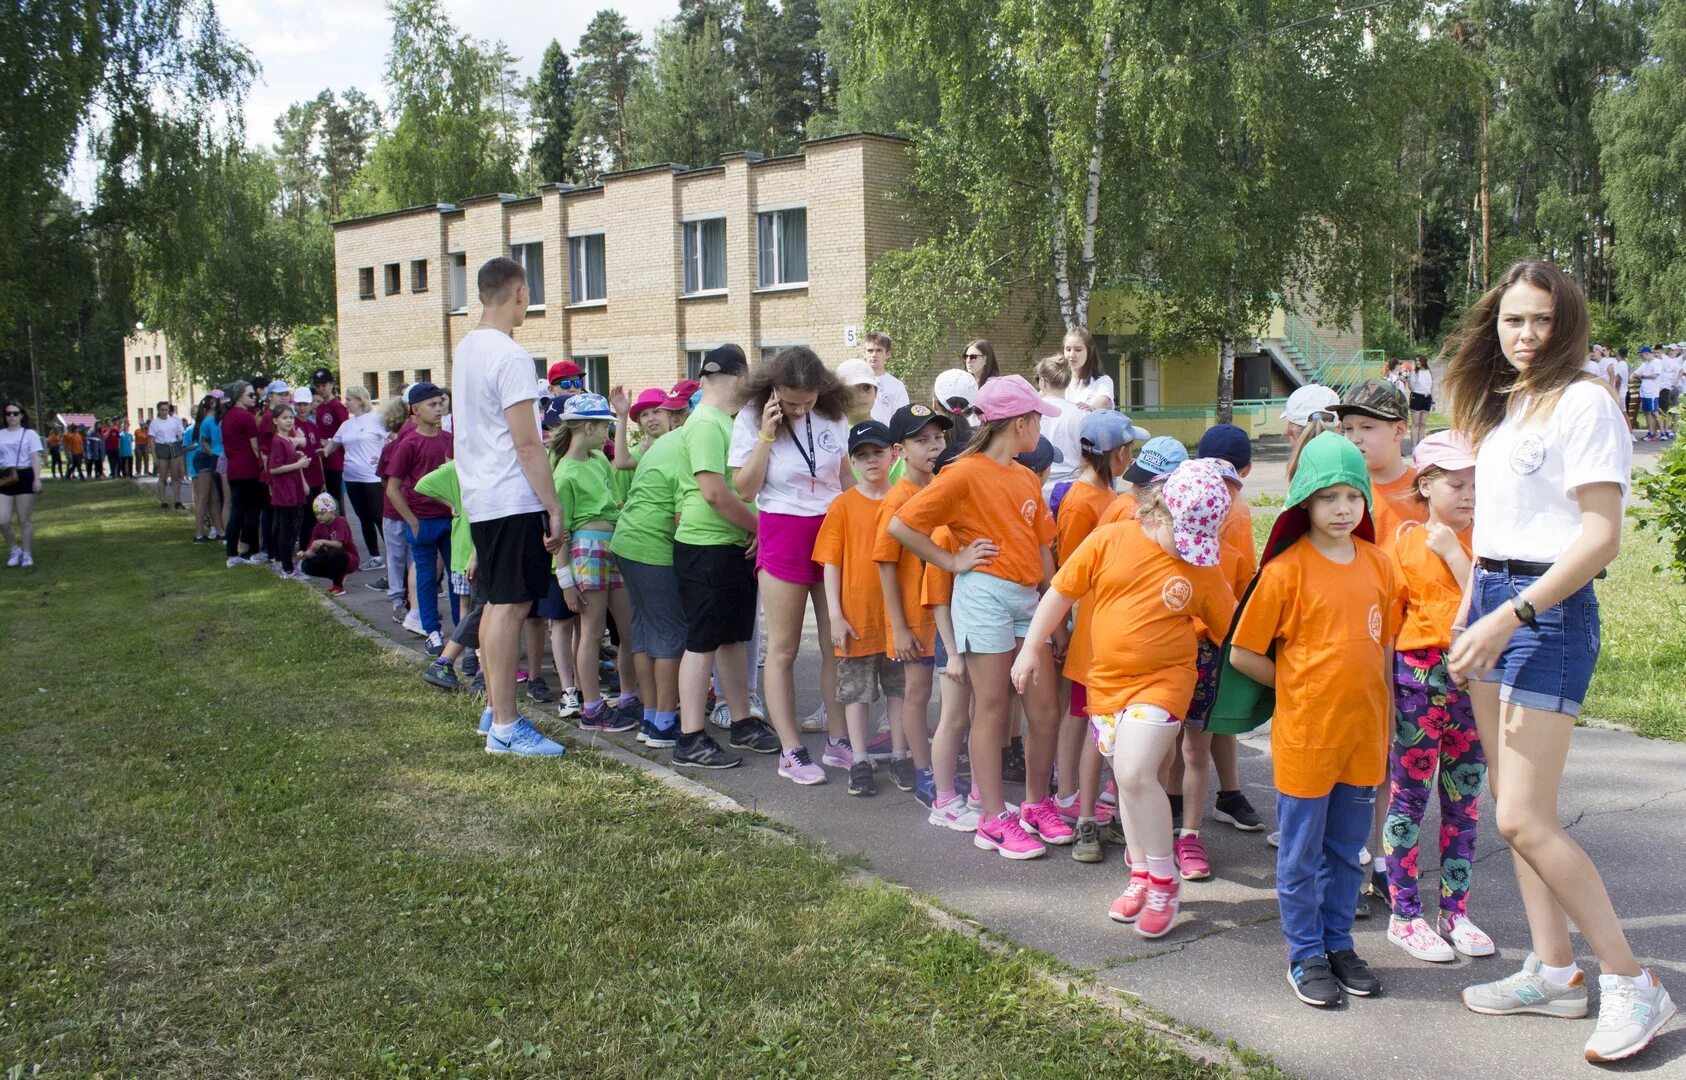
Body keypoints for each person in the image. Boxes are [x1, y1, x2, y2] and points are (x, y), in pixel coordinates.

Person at [1443, 261, 1673, 1063]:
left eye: (1541, 320)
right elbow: (1496, 530)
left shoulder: (1586, 402)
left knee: (1521, 818)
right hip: (1495, 608)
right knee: (1515, 813)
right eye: (1513, 321)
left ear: (1566, 323)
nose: (1526, 336)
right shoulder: (1509, 412)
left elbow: (1600, 536)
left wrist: (1509, 614)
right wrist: (1471, 607)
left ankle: (1633, 982)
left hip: (1546, 616)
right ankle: (1554, 972)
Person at [1015, 460, 1236, 937]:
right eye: (1186, 537)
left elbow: (1232, 632)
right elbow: (1060, 592)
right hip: (1107, 685)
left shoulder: (1200, 567)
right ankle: (1140, 873)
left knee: (1135, 772)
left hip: (1166, 682)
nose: (1193, 552)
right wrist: (1032, 646)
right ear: (1158, 513)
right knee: (1131, 785)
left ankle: (1164, 883)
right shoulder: (1110, 540)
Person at [1228, 431, 1398, 1008]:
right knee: (1301, 853)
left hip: (1363, 738)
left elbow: (1386, 649)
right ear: (1304, 501)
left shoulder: (1380, 564)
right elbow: (1243, 652)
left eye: (1353, 495)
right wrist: (1298, 686)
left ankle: (1338, 943)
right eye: (1328, 496)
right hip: (1307, 738)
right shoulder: (1285, 573)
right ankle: (1305, 953)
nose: (1342, 508)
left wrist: (1390, 718)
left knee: (1350, 851)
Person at [890, 375, 1061, 860]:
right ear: (1020, 422)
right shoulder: (963, 473)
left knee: (1043, 708)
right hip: (983, 595)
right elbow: (902, 525)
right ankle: (993, 819)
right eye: (1036, 420)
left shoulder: (1027, 477)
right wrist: (952, 561)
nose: (1039, 430)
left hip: (1029, 600)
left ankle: (1035, 805)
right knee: (990, 706)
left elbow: (1042, 546)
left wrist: (1056, 609)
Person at [1379, 429, 1493, 964]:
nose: (1469, 493)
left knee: (1464, 804)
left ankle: (1457, 911)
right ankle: (1405, 913)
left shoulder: (1492, 541)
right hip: (1418, 681)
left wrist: (1455, 555)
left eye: (1476, 482)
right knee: (1407, 799)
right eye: (1456, 483)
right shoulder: (1402, 546)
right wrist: (1383, 694)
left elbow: (1493, 611)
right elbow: (1388, 628)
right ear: (1425, 484)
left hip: (1476, 679)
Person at [452, 257, 568, 757]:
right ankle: (504, 723)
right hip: (511, 495)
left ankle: (494, 711)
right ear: (520, 291)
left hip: (483, 495)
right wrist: (554, 505)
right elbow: (527, 443)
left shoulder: (467, 349)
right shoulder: (511, 355)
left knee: (500, 602)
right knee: (510, 606)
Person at [729, 346, 851, 775]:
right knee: (784, 648)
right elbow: (743, 489)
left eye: (809, 399)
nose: (800, 408)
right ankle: (791, 750)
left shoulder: (833, 414)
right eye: (792, 400)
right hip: (784, 528)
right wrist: (765, 434)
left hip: (834, 528)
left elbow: (846, 477)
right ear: (773, 389)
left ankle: (839, 740)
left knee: (840, 642)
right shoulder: (750, 415)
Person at [1050, 409, 1145, 863]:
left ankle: (1081, 794)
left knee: (1093, 718)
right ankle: (1067, 792)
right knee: (1082, 716)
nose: (1133, 456)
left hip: (1108, 623)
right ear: (1117, 453)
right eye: (1130, 449)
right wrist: (1062, 629)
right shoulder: (1080, 500)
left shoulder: (1111, 493)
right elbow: (1069, 570)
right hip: (1088, 626)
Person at [670, 345, 761, 770]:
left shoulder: (723, 421)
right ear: (739, 376)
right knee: (703, 641)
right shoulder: (706, 423)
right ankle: (689, 737)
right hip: (706, 546)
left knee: (731, 638)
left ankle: (742, 721)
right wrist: (759, 527)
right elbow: (714, 493)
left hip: (727, 547)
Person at [816, 420, 906, 794]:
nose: (871, 461)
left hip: (897, 620)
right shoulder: (842, 505)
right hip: (857, 619)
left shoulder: (904, 499)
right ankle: (858, 759)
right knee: (856, 693)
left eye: (878, 452)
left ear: (894, 454)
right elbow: (831, 563)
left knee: (898, 690)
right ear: (851, 462)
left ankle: (901, 754)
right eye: (862, 455)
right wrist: (835, 614)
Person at [872, 403, 954, 806]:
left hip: (947, 614)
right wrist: (898, 626)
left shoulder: (942, 487)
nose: (933, 447)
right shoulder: (897, 498)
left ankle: (941, 765)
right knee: (917, 692)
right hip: (914, 619)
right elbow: (885, 565)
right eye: (920, 440)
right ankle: (923, 772)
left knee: (951, 693)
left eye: (937, 437)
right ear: (899, 450)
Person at [549, 391, 644, 731]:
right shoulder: (563, 474)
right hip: (586, 551)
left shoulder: (598, 460)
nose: (606, 434)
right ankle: (592, 707)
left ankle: (629, 695)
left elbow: (613, 501)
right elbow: (559, 531)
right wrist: (566, 581)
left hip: (613, 546)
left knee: (628, 627)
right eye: (603, 426)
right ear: (587, 427)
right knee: (591, 632)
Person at [610, 386, 694, 748]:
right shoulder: (687, 449)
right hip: (651, 547)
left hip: (626, 541)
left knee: (644, 633)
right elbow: (680, 517)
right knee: (671, 635)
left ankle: (649, 717)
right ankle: (665, 721)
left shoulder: (660, 446)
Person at [386, 382, 456, 655]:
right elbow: (392, 488)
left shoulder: (448, 439)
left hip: (450, 519)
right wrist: (412, 521)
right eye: (432, 405)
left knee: (457, 578)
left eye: (441, 403)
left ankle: (461, 632)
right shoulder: (409, 444)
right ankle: (432, 631)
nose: (439, 409)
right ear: (415, 410)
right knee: (426, 578)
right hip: (423, 521)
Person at [326, 385, 385, 567]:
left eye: (349, 399)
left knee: (378, 516)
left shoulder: (377, 419)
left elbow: (395, 438)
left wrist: (385, 459)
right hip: (352, 478)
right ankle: (375, 557)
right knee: (363, 517)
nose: (346, 402)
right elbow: (333, 444)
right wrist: (324, 451)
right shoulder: (346, 425)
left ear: (360, 400)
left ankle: (395, 554)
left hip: (373, 478)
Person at [263, 403, 312, 581]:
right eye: (284, 418)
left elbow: (288, 461)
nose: (289, 421)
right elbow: (274, 468)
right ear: (275, 421)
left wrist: (297, 460)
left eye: (291, 417)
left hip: (294, 489)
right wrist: (298, 465)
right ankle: (287, 568)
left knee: (291, 528)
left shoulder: (287, 440)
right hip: (285, 491)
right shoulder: (277, 441)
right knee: (286, 530)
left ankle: (284, 564)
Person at [220, 382, 267, 565]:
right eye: (250, 395)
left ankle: (232, 553)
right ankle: (253, 551)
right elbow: (255, 446)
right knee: (252, 512)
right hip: (248, 468)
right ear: (239, 395)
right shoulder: (245, 417)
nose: (253, 398)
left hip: (234, 469)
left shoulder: (226, 417)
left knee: (237, 511)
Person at [0, 402, 44, 567]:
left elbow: (35, 457)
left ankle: (26, 553)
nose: (11, 416)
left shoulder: (29, 434)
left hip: (25, 475)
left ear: (21, 415)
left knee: (23, 519)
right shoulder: (1, 434)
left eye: (15, 413)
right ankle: (14, 549)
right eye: (8, 413)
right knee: (2, 520)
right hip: (5, 476)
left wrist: (37, 479)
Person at [1033, 356, 1084, 495]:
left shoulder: (1031, 413)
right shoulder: (1081, 414)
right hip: (1072, 489)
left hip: (1037, 486)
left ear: (1043, 381)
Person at [299, 493, 359, 592]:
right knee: (306, 565)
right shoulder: (317, 527)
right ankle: (337, 576)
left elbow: (339, 544)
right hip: (331, 558)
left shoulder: (340, 521)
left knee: (335, 553)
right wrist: (304, 554)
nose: (319, 517)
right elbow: (311, 550)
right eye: (316, 514)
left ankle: (338, 586)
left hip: (349, 558)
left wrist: (323, 541)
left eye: (322, 513)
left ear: (332, 511)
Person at [310, 369, 350, 505]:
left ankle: (340, 526)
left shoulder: (338, 406)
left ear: (332, 384)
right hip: (322, 461)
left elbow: (346, 432)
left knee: (335, 502)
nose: (321, 389)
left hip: (336, 461)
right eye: (318, 386)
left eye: (324, 385)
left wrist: (327, 442)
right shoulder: (320, 408)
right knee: (325, 502)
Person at [189, 395, 223, 542]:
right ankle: (198, 534)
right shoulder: (209, 421)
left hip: (210, 458)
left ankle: (220, 531)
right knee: (203, 497)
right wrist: (215, 455)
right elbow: (205, 442)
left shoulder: (213, 419)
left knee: (213, 498)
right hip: (205, 459)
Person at [1062, 326, 1114, 411]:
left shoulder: (1103, 381)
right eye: (1068, 349)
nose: (1072, 355)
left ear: (1090, 350)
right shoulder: (1058, 381)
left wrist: (1092, 408)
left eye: (1078, 350)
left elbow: (1102, 402)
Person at [864, 332, 909, 425]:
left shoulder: (897, 386)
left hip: (885, 437)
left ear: (888, 354)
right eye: (870, 350)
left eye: (879, 350)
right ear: (864, 353)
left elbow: (902, 419)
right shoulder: (855, 383)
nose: (874, 355)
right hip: (859, 437)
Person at [149, 402, 186, 508]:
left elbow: (180, 433)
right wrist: (154, 456)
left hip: (173, 446)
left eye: (166, 410)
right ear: (158, 411)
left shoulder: (174, 420)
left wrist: (180, 437)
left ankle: (177, 501)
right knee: (163, 476)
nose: (164, 412)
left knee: (175, 476)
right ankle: (162, 501)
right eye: (162, 410)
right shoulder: (155, 423)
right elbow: (152, 440)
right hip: (162, 447)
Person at [1634, 346, 1662, 441]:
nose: (1642, 356)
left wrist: (1643, 376)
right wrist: (1632, 374)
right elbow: (1637, 371)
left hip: (1652, 392)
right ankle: (1651, 433)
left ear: (1647, 353)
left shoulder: (1657, 362)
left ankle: (1663, 432)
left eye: (1642, 355)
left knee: (1655, 412)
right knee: (1648, 412)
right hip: (1645, 392)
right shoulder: (1644, 363)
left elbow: (1655, 375)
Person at [1409, 356, 1434, 443]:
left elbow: (1431, 387)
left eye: (1419, 361)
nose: (1417, 362)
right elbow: (1411, 387)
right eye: (1416, 361)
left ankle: (1420, 444)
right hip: (1417, 397)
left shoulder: (1429, 371)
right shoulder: (1414, 372)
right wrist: (1412, 382)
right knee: (1415, 424)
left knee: (1423, 424)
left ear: (1423, 361)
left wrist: (1433, 401)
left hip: (1427, 398)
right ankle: (1414, 446)